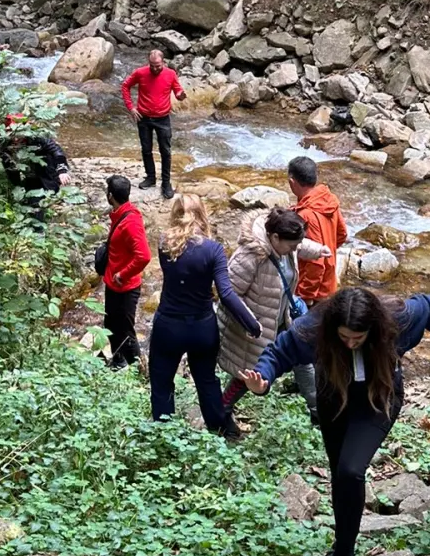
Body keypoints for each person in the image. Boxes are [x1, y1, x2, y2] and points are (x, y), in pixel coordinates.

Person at [240, 286, 430, 556]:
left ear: (372, 329)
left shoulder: (397, 318)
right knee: (340, 475)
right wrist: (263, 378)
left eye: (358, 338)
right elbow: (279, 352)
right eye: (344, 336)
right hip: (334, 400)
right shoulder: (314, 328)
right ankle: (341, 546)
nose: (350, 344)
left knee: (351, 470)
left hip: (379, 398)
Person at [150, 193, 261, 432]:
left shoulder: (163, 244)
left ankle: (164, 436)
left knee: (162, 384)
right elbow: (227, 294)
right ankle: (222, 431)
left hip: (168, 326)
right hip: (202, 327)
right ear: (202, 214)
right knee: (207, 382)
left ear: (175, 215)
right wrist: (252, 324)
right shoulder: (214, 250)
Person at [217, 206, 330, 437]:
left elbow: (299, 245)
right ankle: (221, 411)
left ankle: (318, 411)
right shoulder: (249, 256)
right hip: (254, 327)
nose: (294, 249)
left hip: (281, 318)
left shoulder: (285, 243)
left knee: (302, 358)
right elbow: (228, 292)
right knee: (249, 373)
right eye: (291, 245)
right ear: (275, 238)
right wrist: (250, 322)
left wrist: (319, 250)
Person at [286, 155, 348, 420]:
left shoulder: (308, 215)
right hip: (330, 284)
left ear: (292, 181)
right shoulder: (328, 201)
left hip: (315, 291)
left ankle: (318, 399)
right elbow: (342, 234)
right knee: (322, 341)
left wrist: (305, 296)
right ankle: (311, 385)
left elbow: (315, 265)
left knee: (310, 342)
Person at [122, 48, 188, 199]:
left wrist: (181, 96)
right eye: (152, 65)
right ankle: (150, 177)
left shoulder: (170, 74)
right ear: (148, 62)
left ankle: (166, 183)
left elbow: (177, 91)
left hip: (163, 118)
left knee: (165, 151)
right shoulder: (140, 72)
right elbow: (125, 86)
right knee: (146, 149)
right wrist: (131, 108)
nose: (155, 68)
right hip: (143, 117)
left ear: (163, 62)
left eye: (158, 65)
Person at [100, 174, 150, 369]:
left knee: (126, 332)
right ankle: (118, 362)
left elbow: (144, 256)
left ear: (110, 195)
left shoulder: (131, 221)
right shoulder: (120, 212)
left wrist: (123, 274)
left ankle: (140, 371)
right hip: (113, 284)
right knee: (111, 325)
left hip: (125, 287)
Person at [0, 112, 71, 223]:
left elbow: (56, 151)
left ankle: (38, 230)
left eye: (19, 134)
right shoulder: (3, 141)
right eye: (11, 132)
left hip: (43, 173)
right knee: (24, 197)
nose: (15, 138)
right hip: (21, 174)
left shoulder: (37, 138)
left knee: (35, 201)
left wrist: (62, 170)